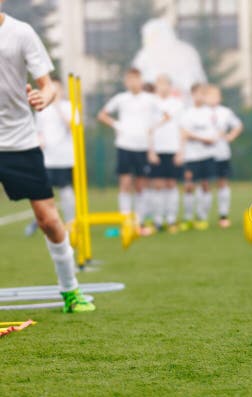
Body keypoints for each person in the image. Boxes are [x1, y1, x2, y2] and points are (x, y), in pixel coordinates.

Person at [0, 5, 94, 312]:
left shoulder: (21, 33)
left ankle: (70, 291)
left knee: (48, 219)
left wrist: (45, 97)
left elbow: (48, 84)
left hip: (19, 141)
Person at [98, 68, 162, 234]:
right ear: (126, 82)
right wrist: (116, 124)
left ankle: (138, 223)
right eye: (130, 79)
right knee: (125, 183)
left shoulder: (150, 99)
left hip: (142, 147)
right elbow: (102, 115)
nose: (133, 82)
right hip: (124, 145)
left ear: (141, 80)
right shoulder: (120, 99)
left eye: (136, 79)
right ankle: (125, 221)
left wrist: (152, 128)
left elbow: (167, 115)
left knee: (141, 184)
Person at [24, 79, 74, 236]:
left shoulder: (69, 107)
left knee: (66, 190)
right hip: (47, 158)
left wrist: (58, 106)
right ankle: (40, 221)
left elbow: (73, 127)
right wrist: (40, 141)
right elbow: (38, 130)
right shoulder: (42, 109)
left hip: (65, 157)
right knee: (43, 193)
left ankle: (70, 223)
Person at [148, 75, 184, 233]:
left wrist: (180, 151)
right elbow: (148, 129)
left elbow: (182, 128)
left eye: (165, 84)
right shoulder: (149, 103)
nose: (162, 87)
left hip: (173, 148)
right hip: (157, 149)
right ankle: (158, 220)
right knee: (157, 185)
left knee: (171, 184)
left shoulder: (177, 104)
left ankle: (171, 219)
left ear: (170, 87)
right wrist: (151, 150)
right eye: (159, 84)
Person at [178, 83, 216, 231]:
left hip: (206, 155)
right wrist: (181, 152)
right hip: (191, 156)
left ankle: (202, 217)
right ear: (192, 95)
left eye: (203, 94)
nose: (201, 96)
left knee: (205, 185)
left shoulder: (210, 113)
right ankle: (188, 218)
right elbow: (184, 134)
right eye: (198, 93)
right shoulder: (187, 113)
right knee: (188, 186)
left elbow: (213, 135)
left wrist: (205, 138)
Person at [207, 85, 243, 229]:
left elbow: (238, 125)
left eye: (215, 95)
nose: (212, 98)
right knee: (205, 184)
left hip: (221, 153)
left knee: (222, 183)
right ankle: (202, 217)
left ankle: (223, 215)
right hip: (203, 154)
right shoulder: (199, 112)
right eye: (209, 95)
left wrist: (230, 136)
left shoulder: (225, 112)